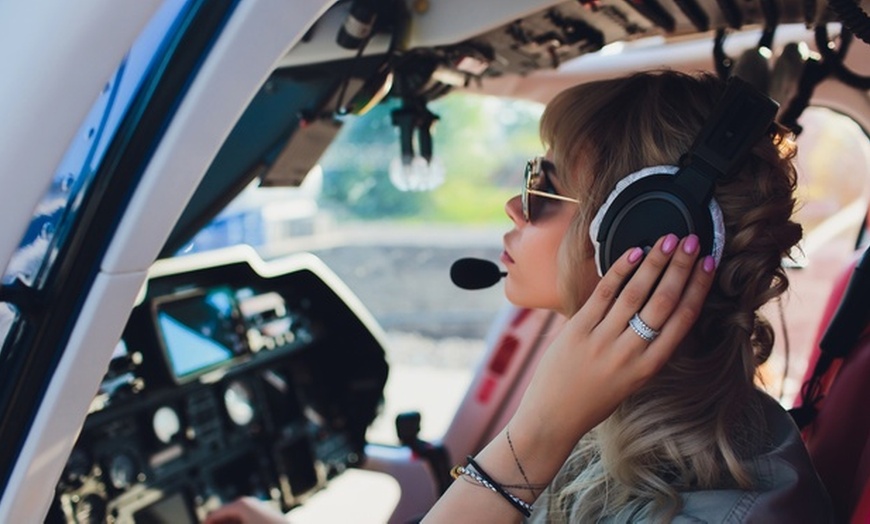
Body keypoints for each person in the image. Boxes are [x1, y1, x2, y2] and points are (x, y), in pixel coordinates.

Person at [206, 70, 832, 523]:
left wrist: (531, 439)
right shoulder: (648, 427)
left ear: (643, 235)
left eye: (543, 183)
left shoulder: (712, 511)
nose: (513, 205)